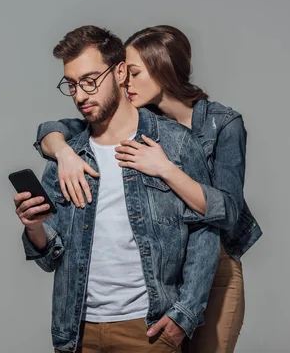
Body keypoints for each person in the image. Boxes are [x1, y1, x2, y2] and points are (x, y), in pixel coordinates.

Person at [32, 25, 263, 353]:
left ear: (162, 73)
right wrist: (62, 150)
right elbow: (57, 129)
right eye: (73, 85)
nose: (124, 81)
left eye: (133, 72)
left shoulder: (219, 124)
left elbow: (225, 213)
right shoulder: (135, 120)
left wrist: (165, 169)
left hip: (216, 261)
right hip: (167, 265)